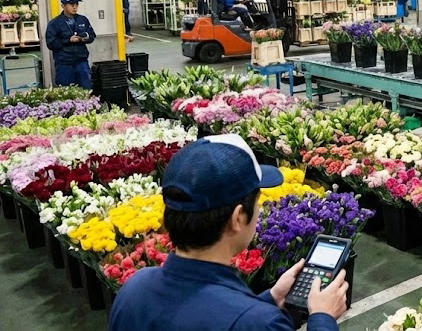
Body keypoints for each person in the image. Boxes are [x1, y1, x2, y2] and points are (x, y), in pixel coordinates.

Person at [109, 134, 349, 330]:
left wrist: (270, 298)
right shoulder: (258, 322)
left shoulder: (134, 289)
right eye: (258, 202)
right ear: (237, 218)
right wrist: (323, 318)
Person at [45, 0, 96, 89]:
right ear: (63, 6)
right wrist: (68, 40)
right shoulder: (54, 23)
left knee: (86, 89)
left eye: (76, 4)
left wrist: (84, 37)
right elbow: (51, 43)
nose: (75, 7)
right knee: (66, 90)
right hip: (64, 64)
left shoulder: (83, 19)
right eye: (71, 4)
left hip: (81, 62)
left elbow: (92, 36)